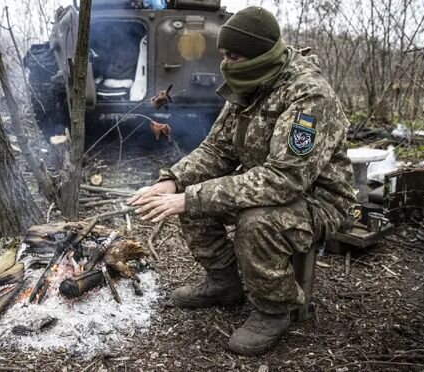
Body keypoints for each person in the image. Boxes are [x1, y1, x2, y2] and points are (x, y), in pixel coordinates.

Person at [128, 6, 355, 356]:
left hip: (317, 199)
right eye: (224, 55)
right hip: (267, 185)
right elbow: (217, 150)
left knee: (254, 221)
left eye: (234, 56)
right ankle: (224, 284)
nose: (226, 63)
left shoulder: (309, 97)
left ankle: (274, 309)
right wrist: (173, 182)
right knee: (192, 196)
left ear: (260, 54)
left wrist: (192, 198)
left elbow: (285, 178)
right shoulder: (248, 84)